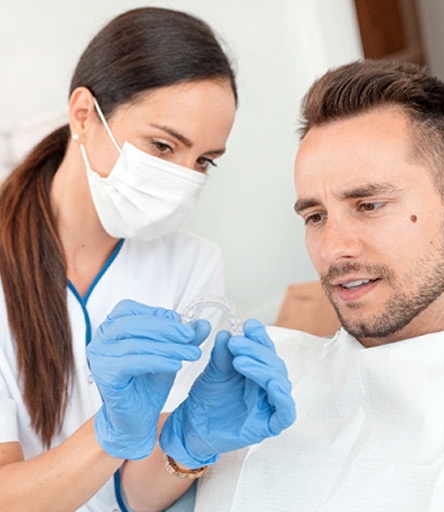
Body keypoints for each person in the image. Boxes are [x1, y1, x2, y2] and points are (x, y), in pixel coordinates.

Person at [178, 60, 444, 511]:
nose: (333, 248)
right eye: (315, 216)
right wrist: (180, 450)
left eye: (369, 205)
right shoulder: (267, 378)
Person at [0, 6, 284, 511]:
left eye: (203, 161)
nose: (182, 178)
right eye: (162, 145)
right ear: (84, 115)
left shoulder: (192, 264)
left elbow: (136, 494)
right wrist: (109, 433)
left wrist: (192, 441)